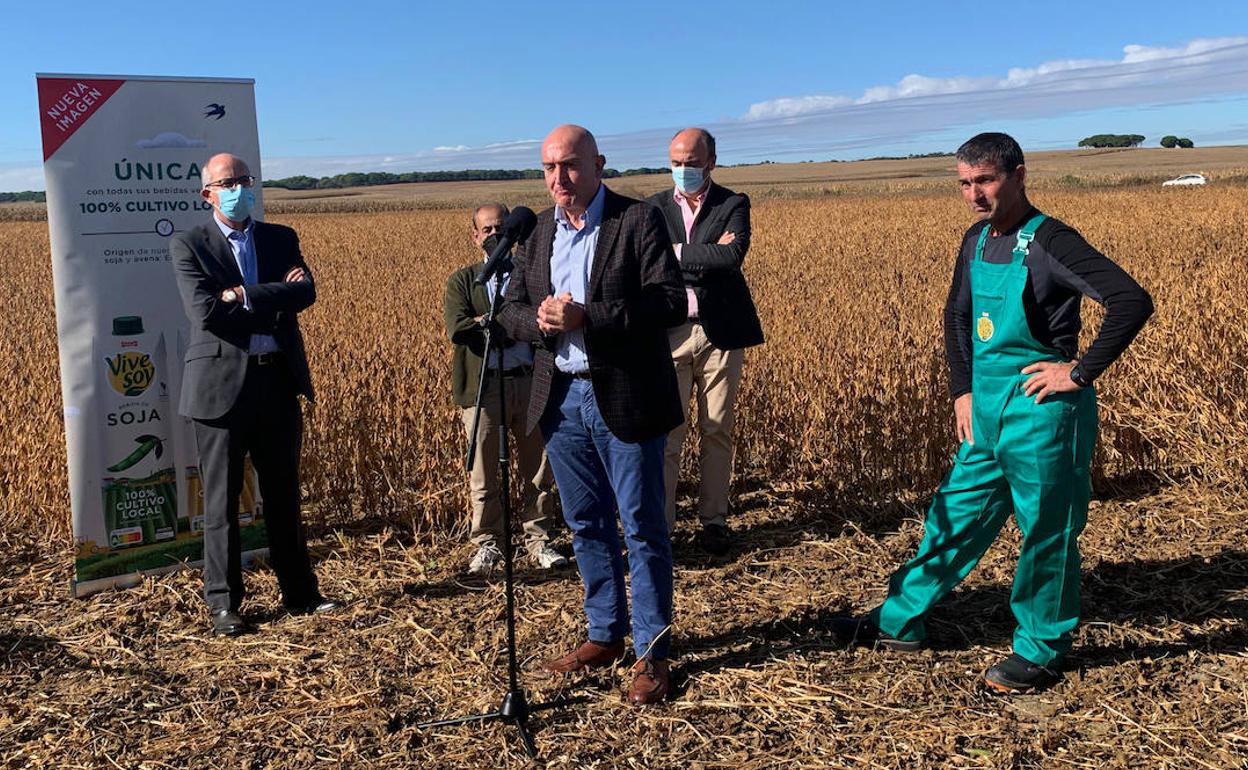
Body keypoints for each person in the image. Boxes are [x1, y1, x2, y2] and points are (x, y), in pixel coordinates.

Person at [831, 133, 1153, 693]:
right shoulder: (976, 240)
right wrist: (963, 391)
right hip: (986, 409)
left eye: (985, 181)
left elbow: (1131, 300)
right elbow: (957, 317)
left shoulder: (1053, 241)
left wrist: (1075, 373)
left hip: (1041, 412)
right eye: (964, 183)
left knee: (1046, 533)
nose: (974, 194)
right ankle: (897, 622)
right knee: (954, 515)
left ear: (1019, 177)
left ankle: (1041, 649)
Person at [498, 125, 686, 705]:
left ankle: (652, 651)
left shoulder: (637, 220)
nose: (560, 179)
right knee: (585, 524)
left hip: (625, 397)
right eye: (550, 168)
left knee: (643, 527)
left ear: (599, 164)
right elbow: (510, 309)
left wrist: (588, 317)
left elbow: (668, 301)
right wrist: (541, 323)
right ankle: (604, 633)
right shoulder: (539, 232)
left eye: (571, 166)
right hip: (561, 401)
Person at [171, 153, 339, 636]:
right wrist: (271, 296)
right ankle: (224, 605)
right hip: (219, 391)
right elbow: (205, 313)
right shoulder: (190, 244)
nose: (239, 189)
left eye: (244, 180)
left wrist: (242, 295)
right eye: (227, 183)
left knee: (284, 494)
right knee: (221, 501)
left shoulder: (280, 237)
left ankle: (302, 594)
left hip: (277, 381)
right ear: (207, 194)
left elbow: (305, 294)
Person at [647, 128, 763, 554]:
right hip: (670, 331)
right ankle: (662, 525)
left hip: (721, 333)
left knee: (717, 430)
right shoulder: (653, 207)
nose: (683, 170)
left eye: (691, 162)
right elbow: (649, 262)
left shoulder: (733, 203)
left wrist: (675, 252)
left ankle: (714, 520)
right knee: (667, 435)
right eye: (676, 162)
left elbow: (732, 257)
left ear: (711, 161)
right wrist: (702, 253)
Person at [443, 202, 566, 574]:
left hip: (529, 382)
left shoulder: (531, 274)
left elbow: (546, 316)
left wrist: (518, 322)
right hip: (485, 387)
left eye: (502, 228)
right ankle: (487, 543)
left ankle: (539, 539)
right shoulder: (465, 280)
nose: (495, 235)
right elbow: (457, 326)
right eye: (487, 230)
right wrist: (488, 322)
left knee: (538, 470)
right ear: (475, 236)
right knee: (483, 473)